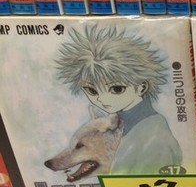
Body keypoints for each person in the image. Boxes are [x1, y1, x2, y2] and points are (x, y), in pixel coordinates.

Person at [55, 25, 182, 175]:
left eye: (117, 89)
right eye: (92, 91)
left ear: (142, 87)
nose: (102, 99)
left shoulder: (153, 136)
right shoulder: (122, 126)